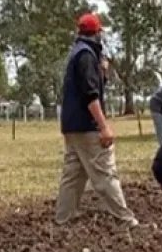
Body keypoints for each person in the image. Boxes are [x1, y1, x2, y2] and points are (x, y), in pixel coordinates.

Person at [56, 13, 138, 228]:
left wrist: (102, 73)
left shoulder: (79, 53)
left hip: (72, 125)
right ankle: (125, 220)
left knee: (73, 173)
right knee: (105, 172)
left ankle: (64, 218)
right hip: (87, 125)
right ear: (97, 33)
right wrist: (104, 127)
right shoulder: (86, 56)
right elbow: (90, 95)